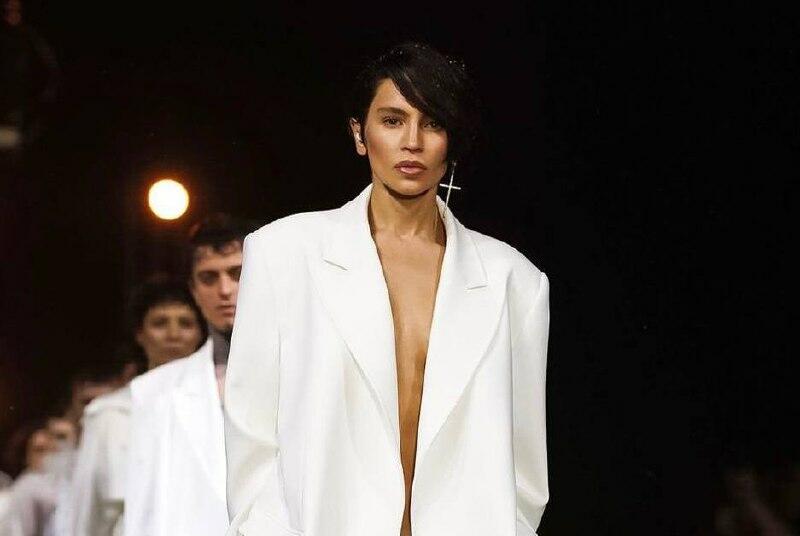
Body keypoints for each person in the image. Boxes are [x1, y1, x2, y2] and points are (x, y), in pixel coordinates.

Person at [225, 42, 550, 536]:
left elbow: (525, 469)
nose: (412, 142)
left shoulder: (515, 281)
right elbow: (251, 438)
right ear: (360, 133)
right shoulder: (283, 254)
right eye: (393, 121)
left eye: (433, 123)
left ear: (453, 142)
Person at [124, 215, 250, 536]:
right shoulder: (153, 392)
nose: (225, 290)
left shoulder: (308, 374)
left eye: (237, 274)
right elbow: (143, 509)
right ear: (193, 290)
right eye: (209, 278)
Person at [67, 277, 205, 536]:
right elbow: (87, 508)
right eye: (160, 323)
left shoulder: (219, 408)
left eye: (185, 323)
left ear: (200, 333)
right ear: (140, 333)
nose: (173, 334)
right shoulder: (109, 414)